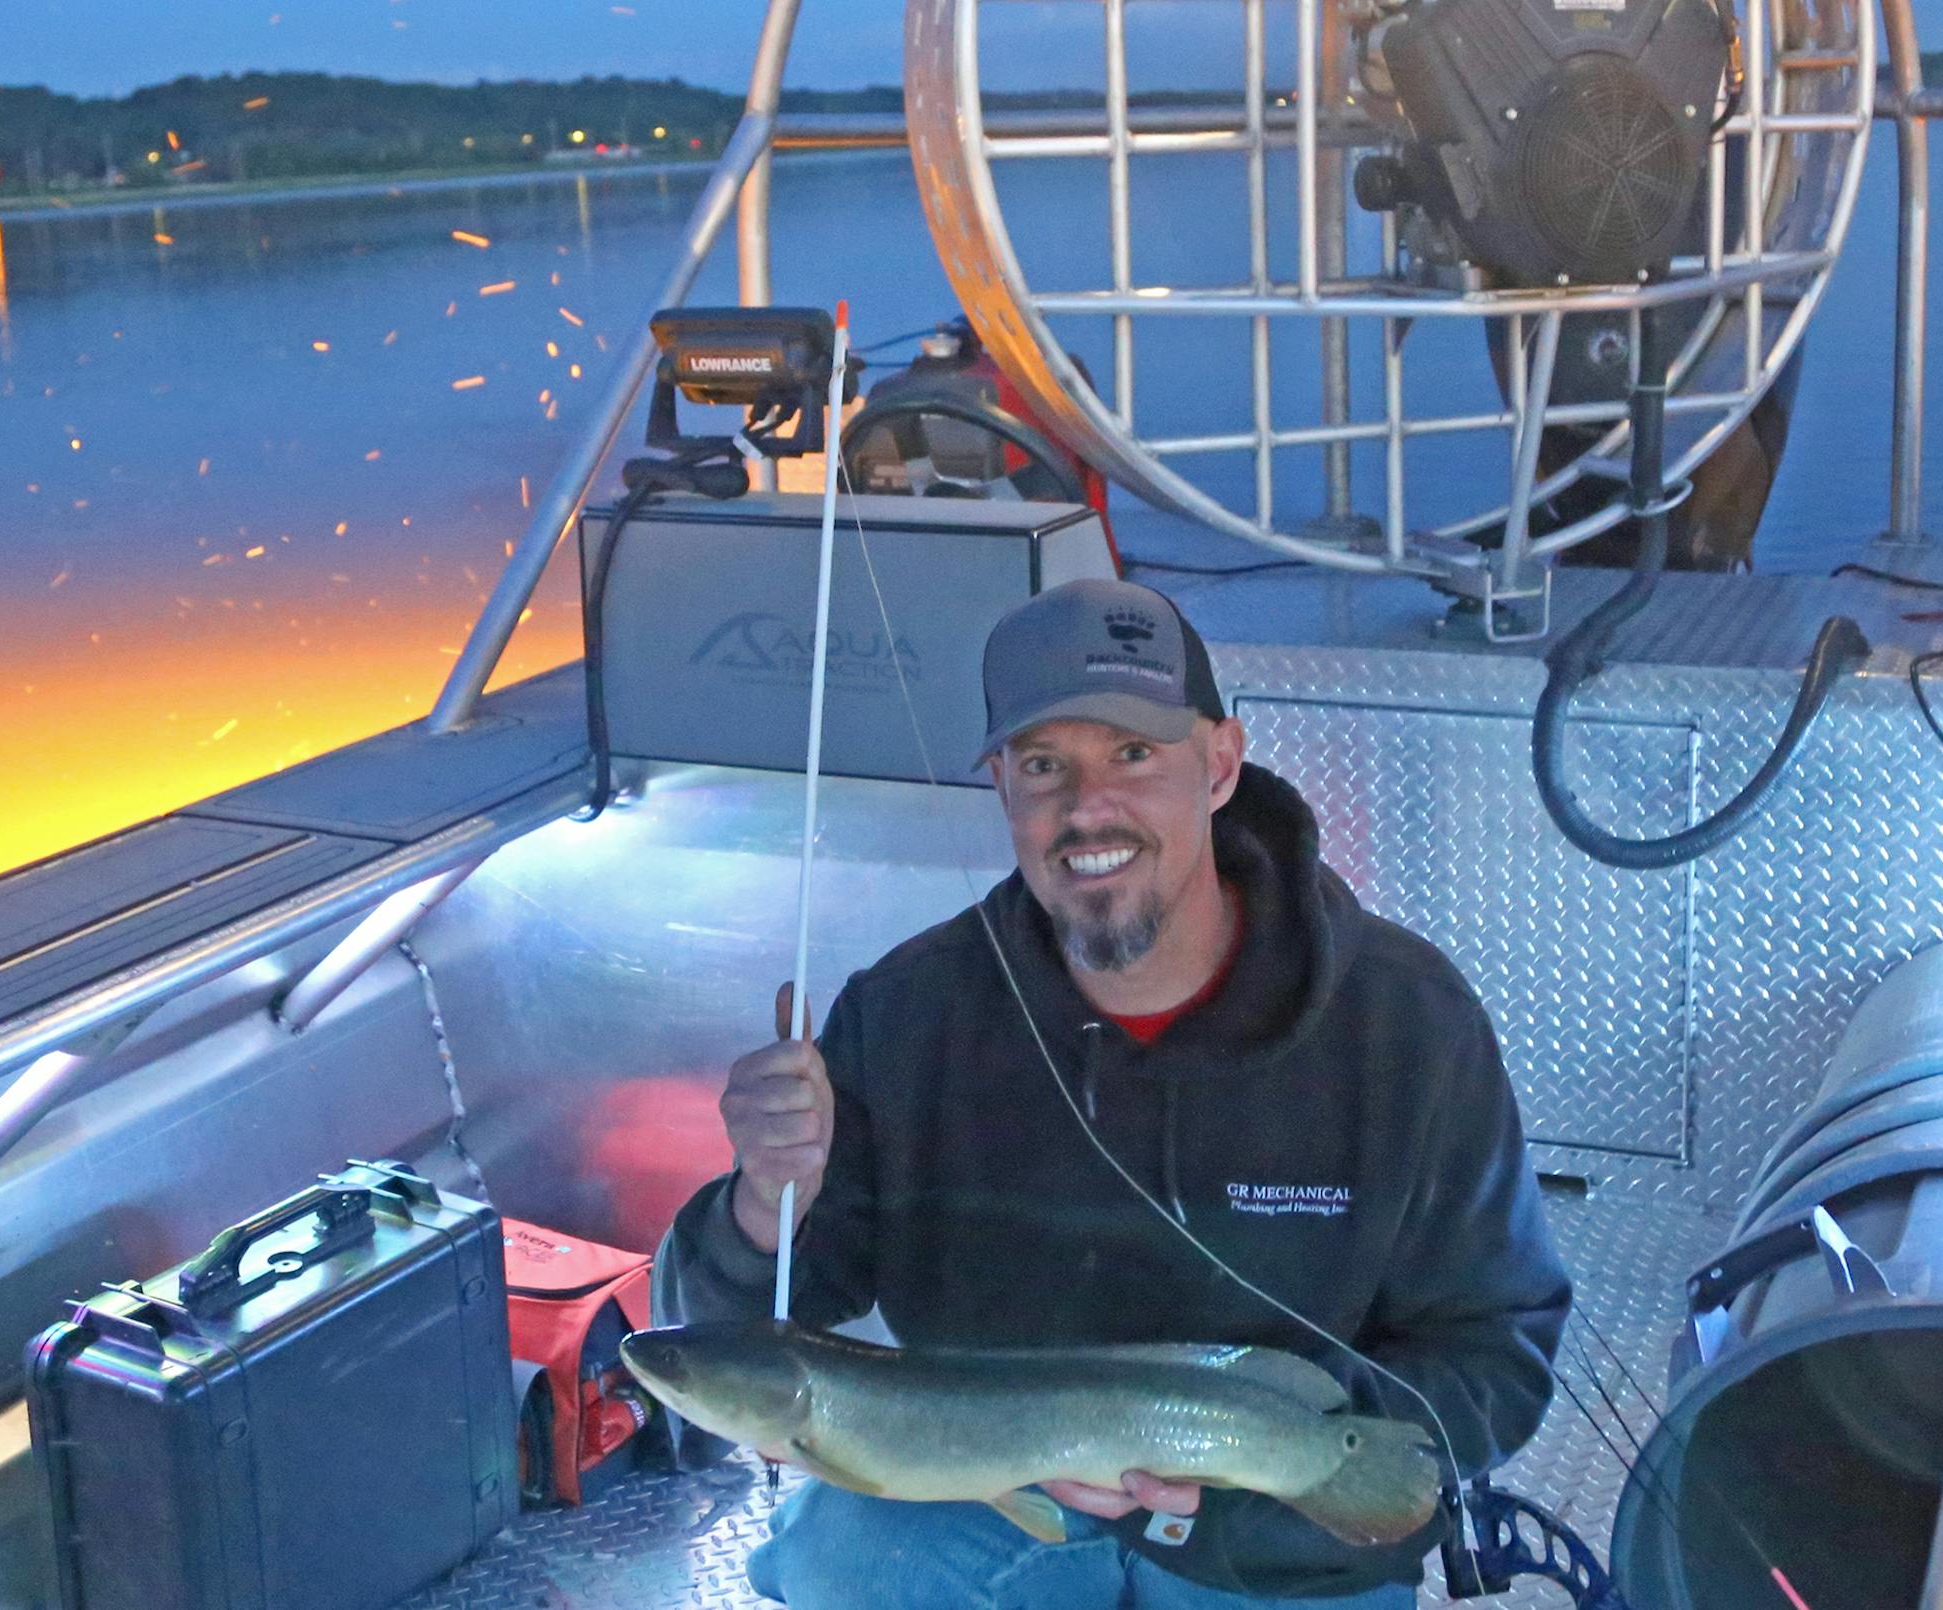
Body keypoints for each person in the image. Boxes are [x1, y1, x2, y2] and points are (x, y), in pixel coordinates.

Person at [659, 578, 1572, 1607]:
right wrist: (762, 1199)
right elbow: (736, 1335)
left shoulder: (1404, 1020)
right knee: (834, 1545)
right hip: (994, 1500)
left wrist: (1258, 1446)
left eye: (1133, 754)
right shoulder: (908, 1012)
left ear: (1221, 763)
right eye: (1045, 765)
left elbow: (1498, 1347)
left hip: (1270, 1541)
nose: (1087, 807)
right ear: (1000, 783)